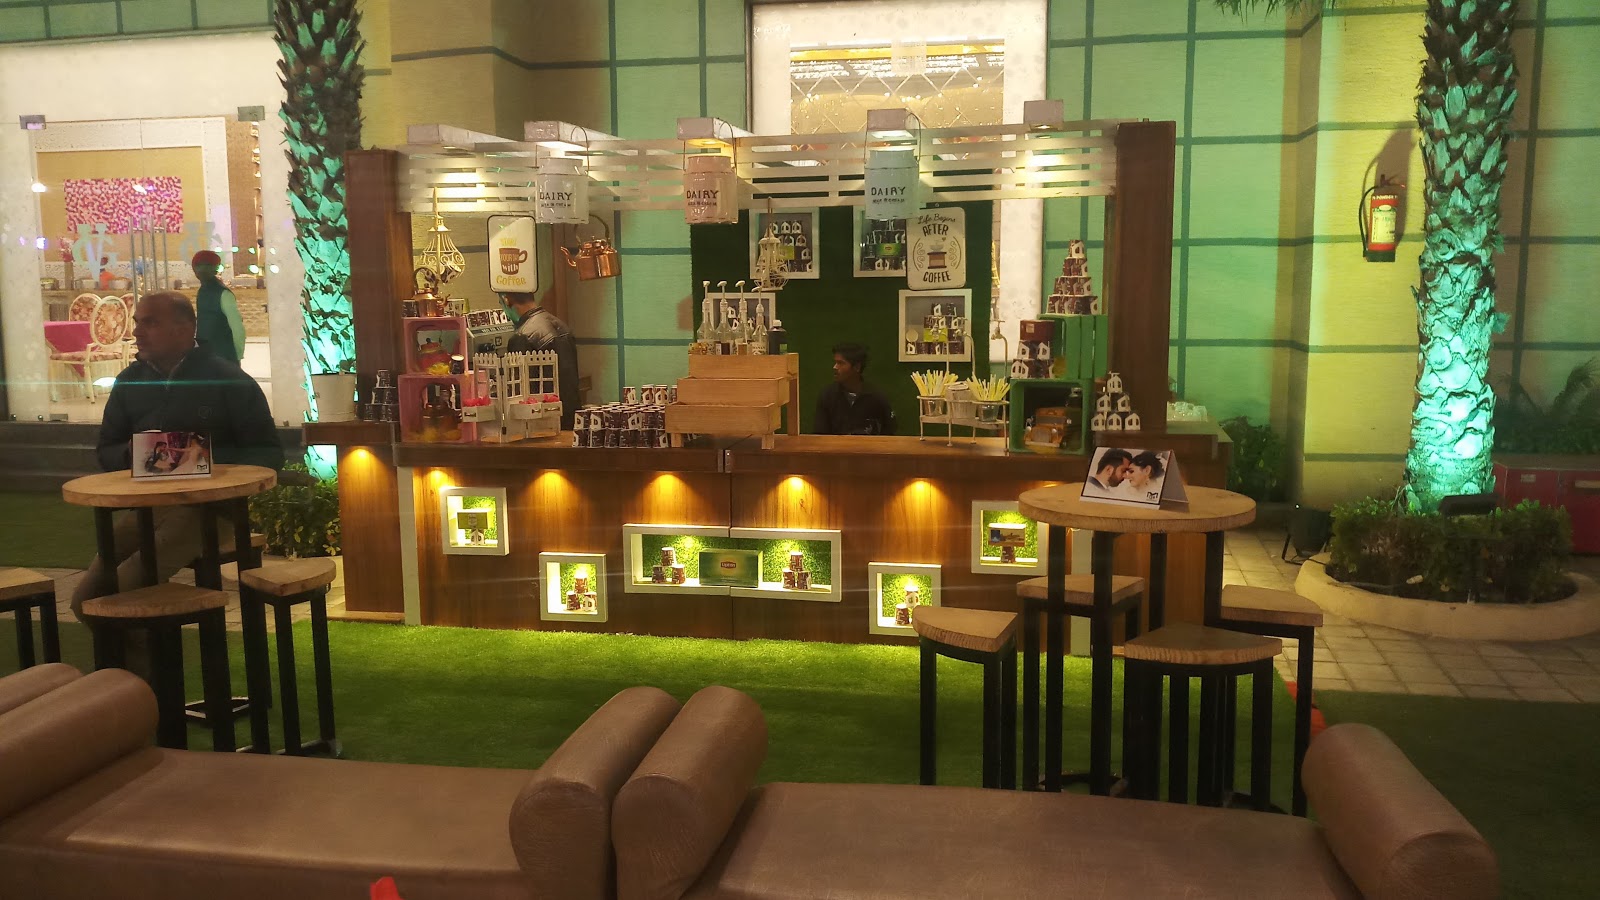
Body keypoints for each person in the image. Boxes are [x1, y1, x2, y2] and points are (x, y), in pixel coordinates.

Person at [72, 292, 283, 671]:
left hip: (213, 511)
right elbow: (106, 449)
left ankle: (149, 689)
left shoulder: (228, 379)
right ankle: (136, 684)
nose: (137, 331)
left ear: (185, 329)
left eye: (149, 322)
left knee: (125, 589)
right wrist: (134, 454)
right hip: (149, 508)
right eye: (137, 322)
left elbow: (269, 453)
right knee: (84, 599)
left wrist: (198, 456)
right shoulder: (129, 382)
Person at [498, 290, 578, 431]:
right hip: (571, 416)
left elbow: (519, 393)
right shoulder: (562, 326)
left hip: (541, 421)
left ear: (506, 300)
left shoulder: (522, 336)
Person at [813, 342, 895, 436]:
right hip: (835, 445)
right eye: (835, 362)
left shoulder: (877, 397)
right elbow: (820, 434)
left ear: (857, 367)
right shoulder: (828, 396)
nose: (835, 367)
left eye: (841, 363)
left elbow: (889, 432)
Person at [190, 250, 247, 365]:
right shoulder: (203, 291)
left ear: (215, 269)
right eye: (198, 266)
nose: (201, 271)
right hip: (207, 356)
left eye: (206, 266)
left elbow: (237, 328)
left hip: (224, 357)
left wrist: (237, 355)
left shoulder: (223, 294)